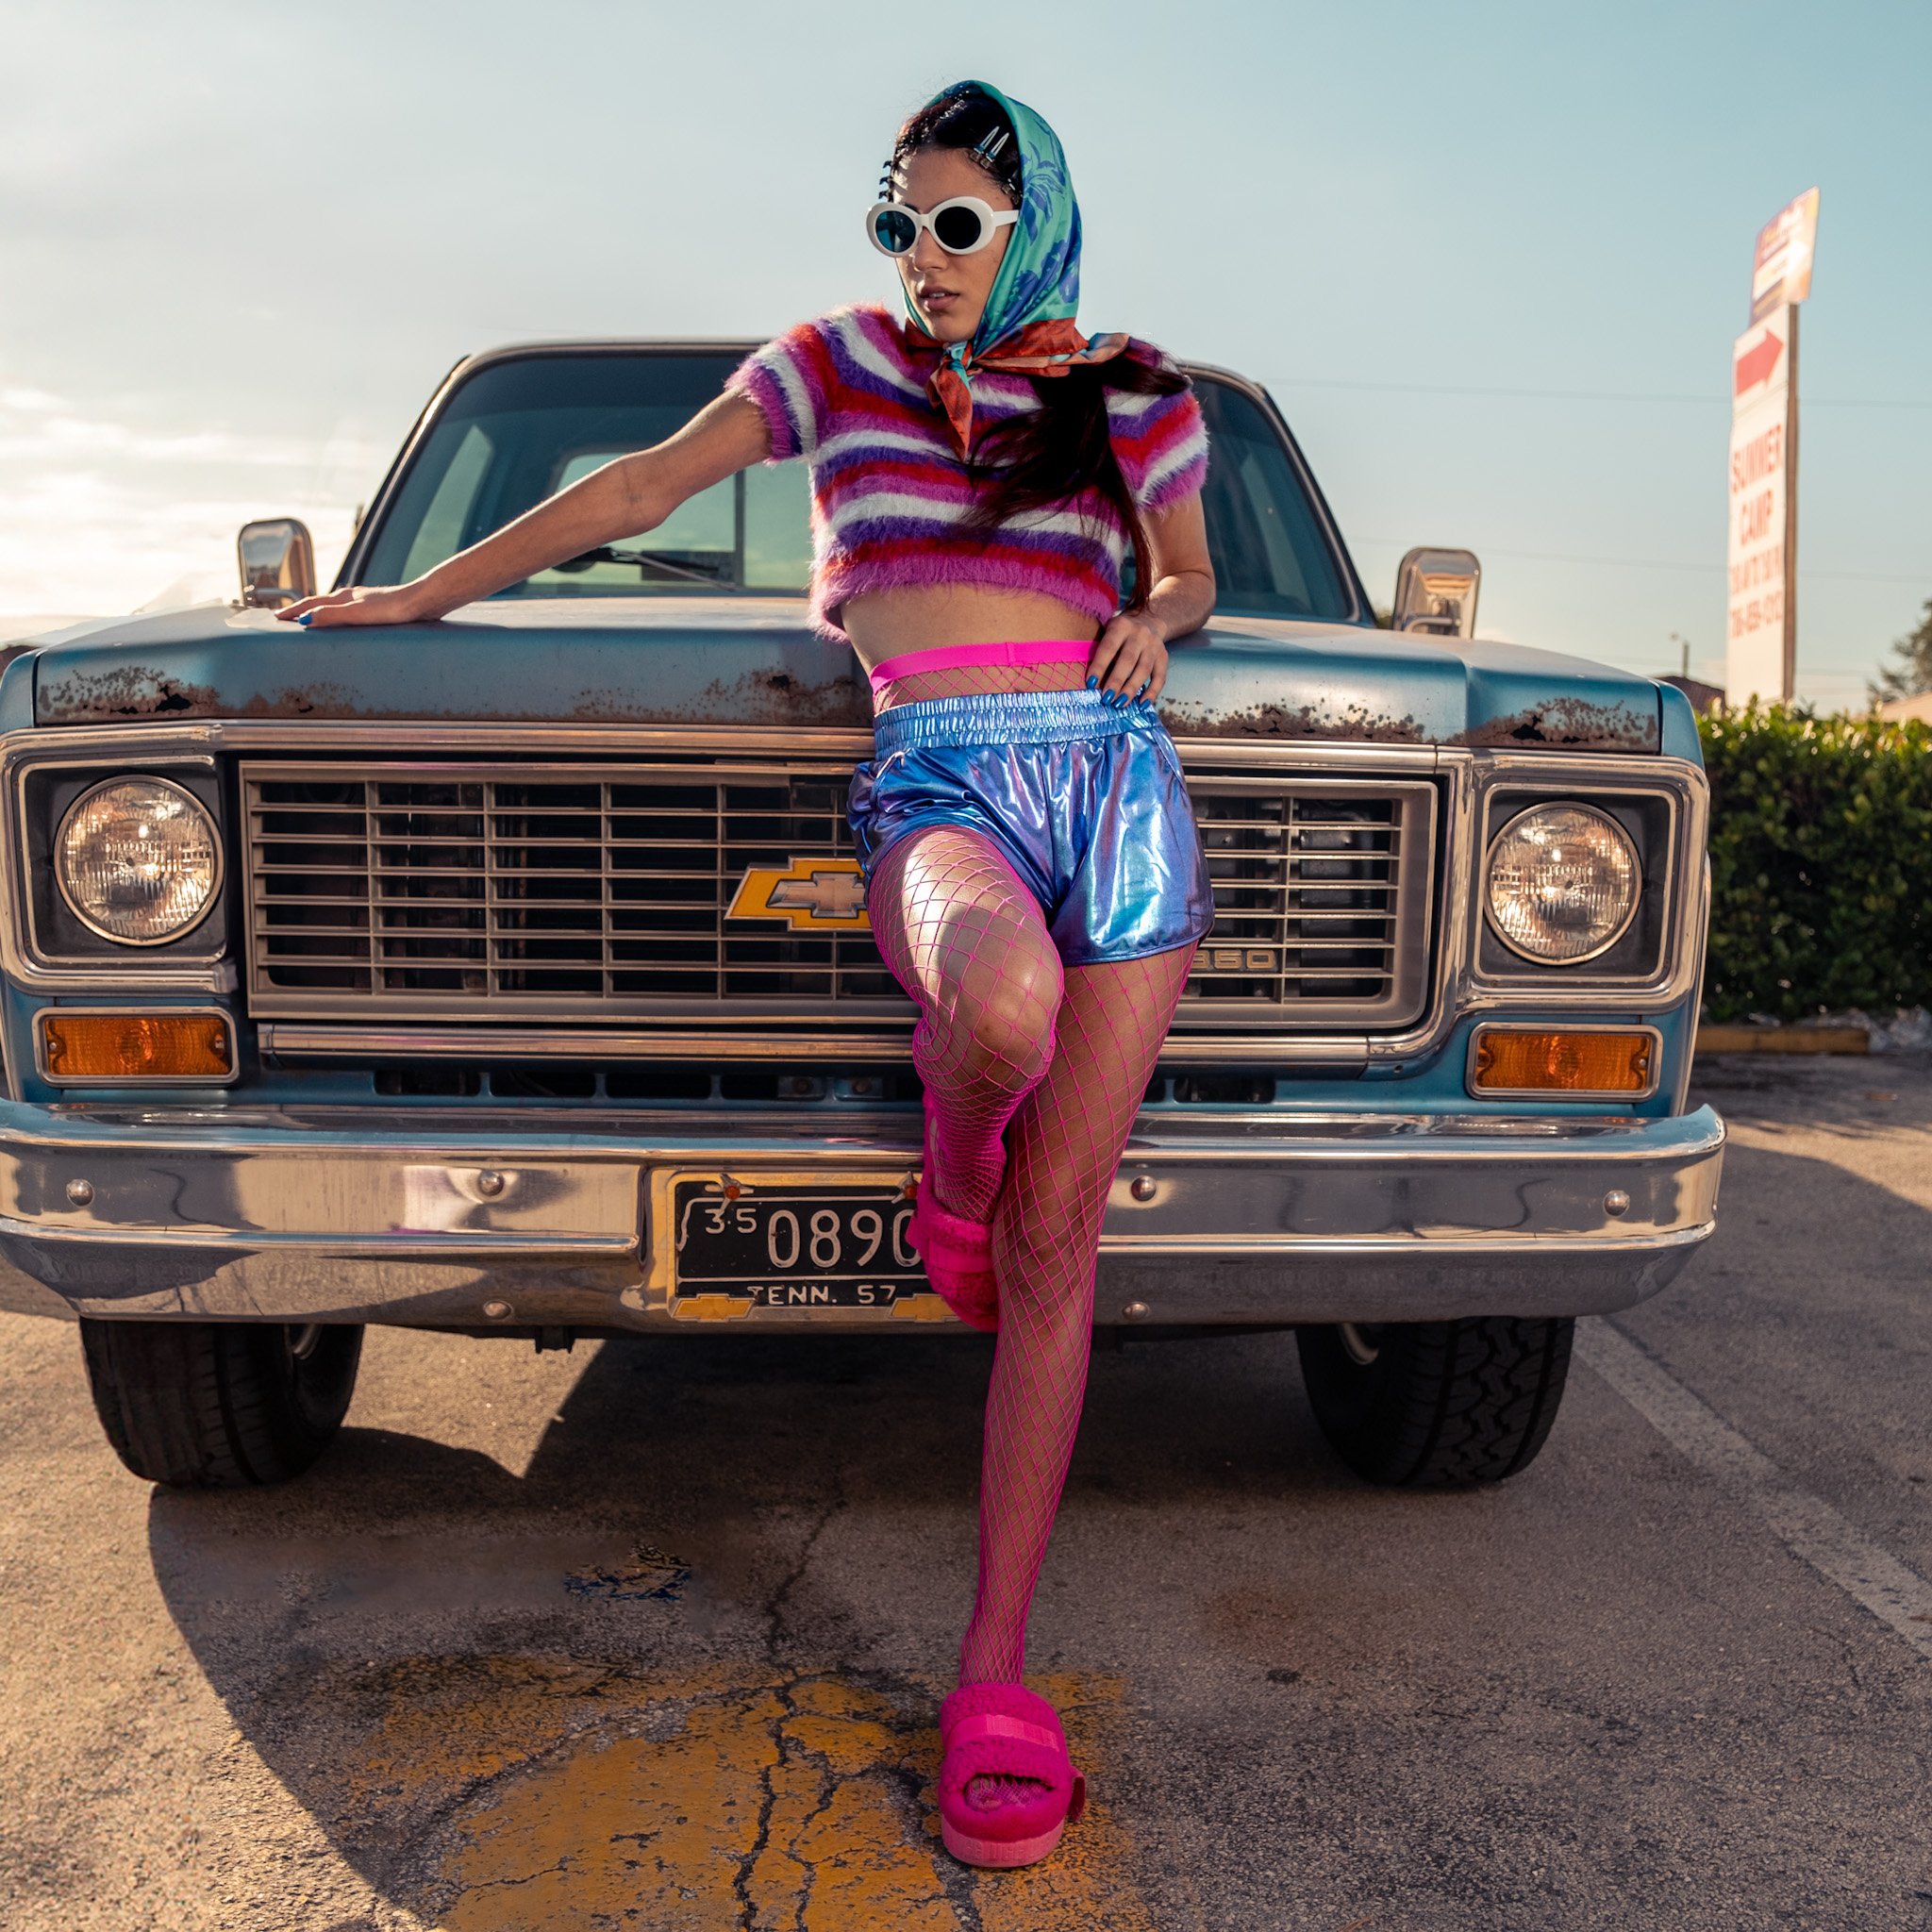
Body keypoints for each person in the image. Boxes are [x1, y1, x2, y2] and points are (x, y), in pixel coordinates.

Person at [278, 78, 1215, 1871]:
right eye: (899, 222)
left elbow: (1187, 575)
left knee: (1064, 1235)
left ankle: (996, 1666)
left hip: (1121, 787)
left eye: (955, 224)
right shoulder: (834, 365)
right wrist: (414, 604)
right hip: (944, 775)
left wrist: (1157, 622)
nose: (921, 257)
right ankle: (951, 1167)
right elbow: (641, 483)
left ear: (1033, 221)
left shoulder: (1134, 393)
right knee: (995, 1006)